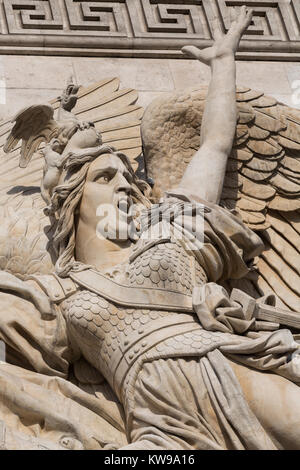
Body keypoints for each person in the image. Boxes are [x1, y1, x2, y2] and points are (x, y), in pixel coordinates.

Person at [1, 7, 300, 450]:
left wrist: (223, 65)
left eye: (127, 176)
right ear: (71, 197)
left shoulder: (171, 229)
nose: (125, 184)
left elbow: (214, 146)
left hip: (228, 369)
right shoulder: (56, 292)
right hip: (157, 422)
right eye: (105, 177)